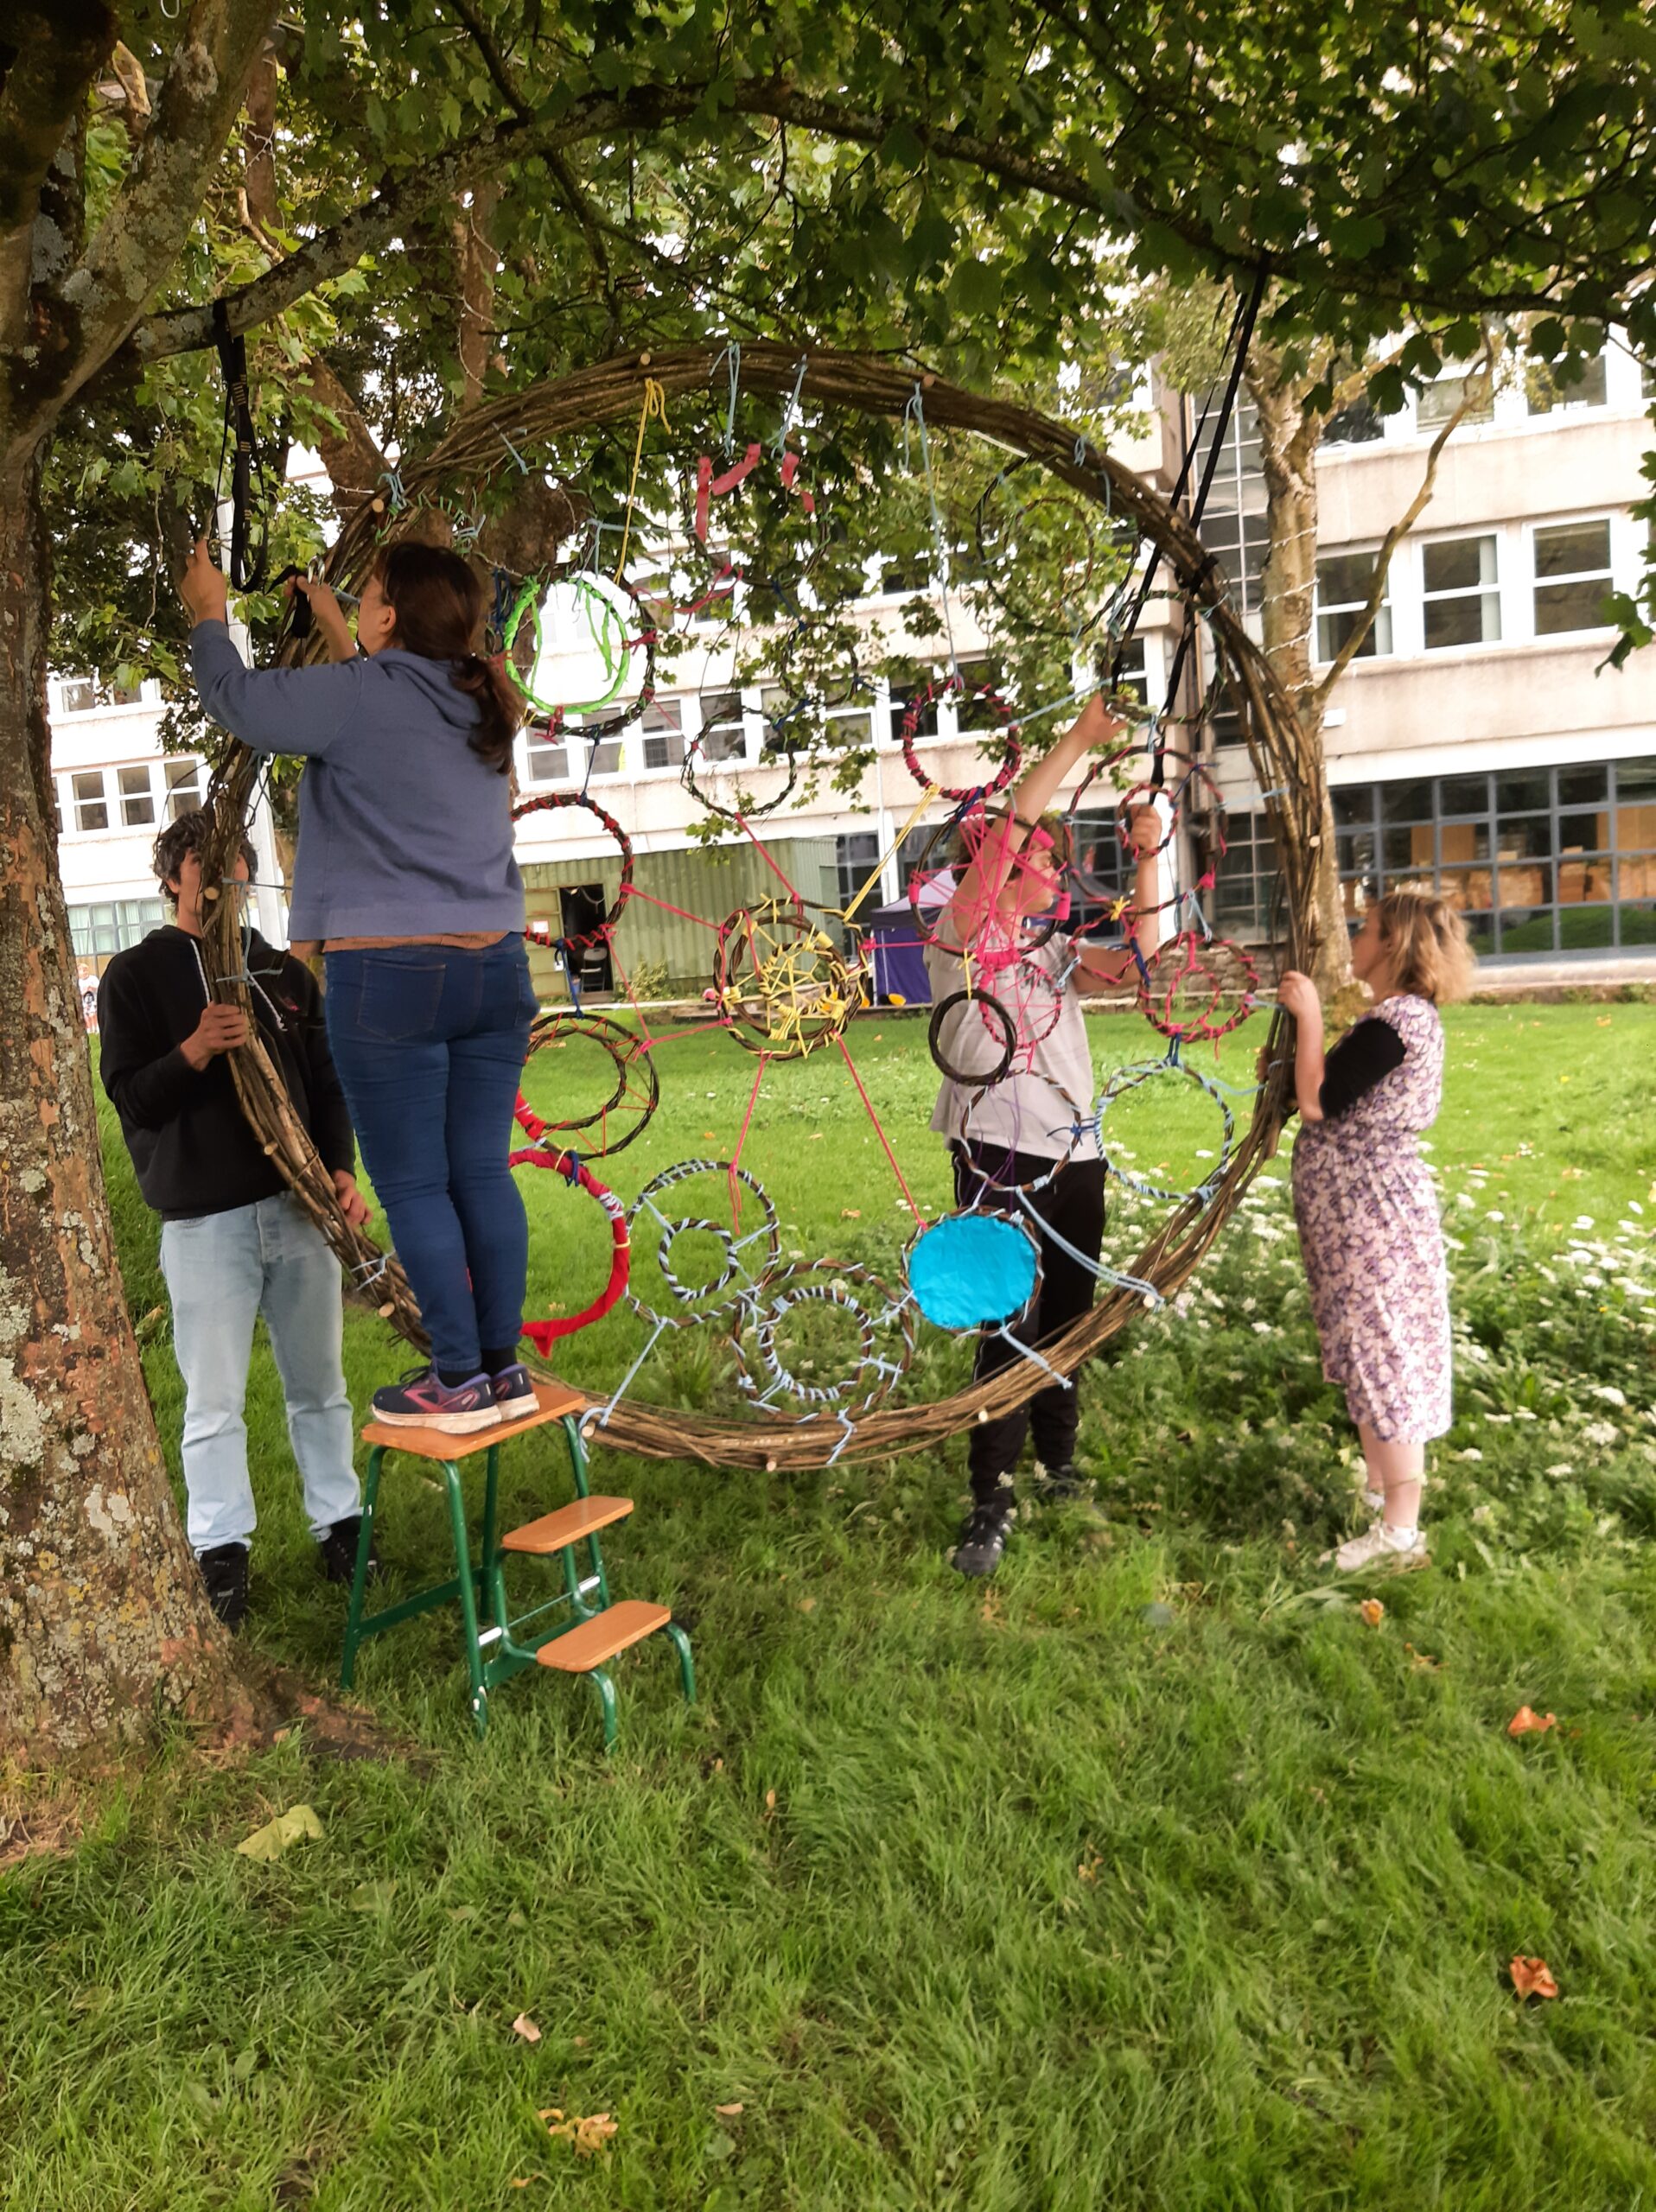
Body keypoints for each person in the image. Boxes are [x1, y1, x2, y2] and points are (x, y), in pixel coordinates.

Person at [178, 538, 539, 1437]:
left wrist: (207, 612)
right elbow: (382, 712)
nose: (358, 601)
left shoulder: (355, 697)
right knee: (479, 1172)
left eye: (367, 593)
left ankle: (455, 1378)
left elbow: (233, 698)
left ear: (391, 616)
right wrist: (342, 629)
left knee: (415, 1184)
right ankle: (500, 1367)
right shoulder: (479, 698)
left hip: (393, 975)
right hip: (494, 968)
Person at [97, 810, 373, 1631]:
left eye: (232, 863)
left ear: (249, 874)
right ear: (174, 876)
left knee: (320, 1386)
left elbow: (327, 1087)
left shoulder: (281, 974)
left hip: (296, 1212)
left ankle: (340, 1527)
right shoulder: (136, 976)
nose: (219, 879)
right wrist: (192, 1052)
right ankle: (221, 1553)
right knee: (212, 1399)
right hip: (203, 1223)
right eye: (200, 863)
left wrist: (340, 1171)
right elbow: (131, 1098)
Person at [924, 691, 1162, 1577]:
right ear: (991, 865)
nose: (1052, 865)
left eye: (1054, 857)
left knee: (1064, 1318)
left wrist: (1146, 853)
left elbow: (1147, 958)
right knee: (1005, 1322)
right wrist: (1080, 739)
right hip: (997, 1157)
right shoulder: (958, 941)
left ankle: (1058, 1466)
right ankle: (990, 1496)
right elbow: (1015, 817)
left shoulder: (1051, 953)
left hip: (1076, 1155)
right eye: (1032, 853)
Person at [1277, 887, 1475, 1573]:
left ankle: (1400, 1529)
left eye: (1365, 930)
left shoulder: (1399, 1022)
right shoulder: (1397, 1020)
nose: (1354, 940)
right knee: (1369, 1347)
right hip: (1360, 1214)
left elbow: (1318, 1100)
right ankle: (1383, 1492)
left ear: (1392, 944)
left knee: (1385, 1351)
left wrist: (1307, 1018)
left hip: (1373, 1217)